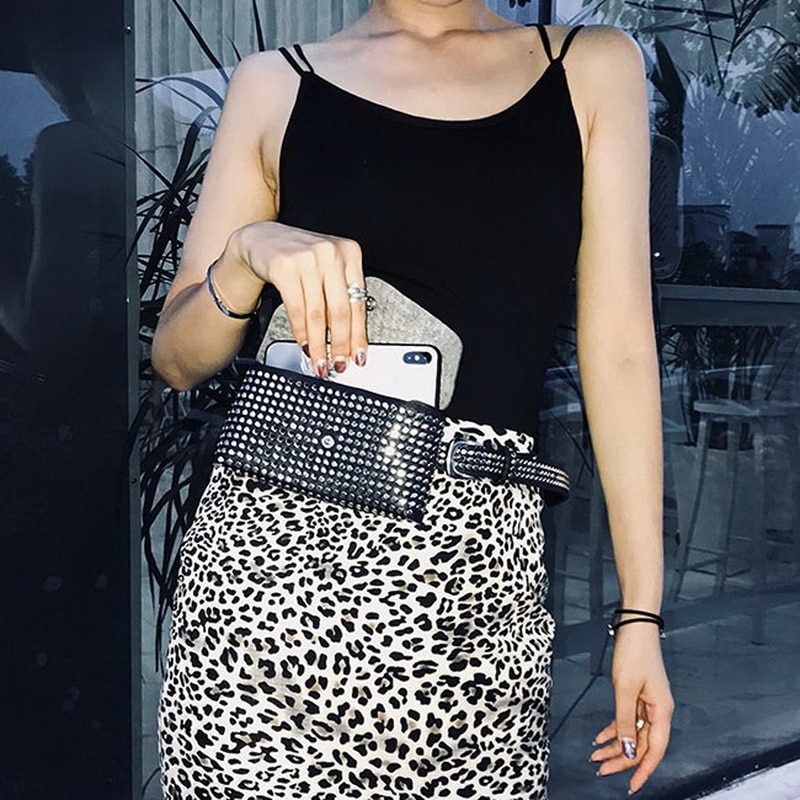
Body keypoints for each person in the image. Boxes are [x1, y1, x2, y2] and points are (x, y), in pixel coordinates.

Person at [153, 1, 674, 798]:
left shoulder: (589, 65)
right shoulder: (276, 83)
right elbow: (177, 358)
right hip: (261, 591)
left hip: (472, 590)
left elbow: (623, 351)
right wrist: (245, 254)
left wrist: (641, 614)